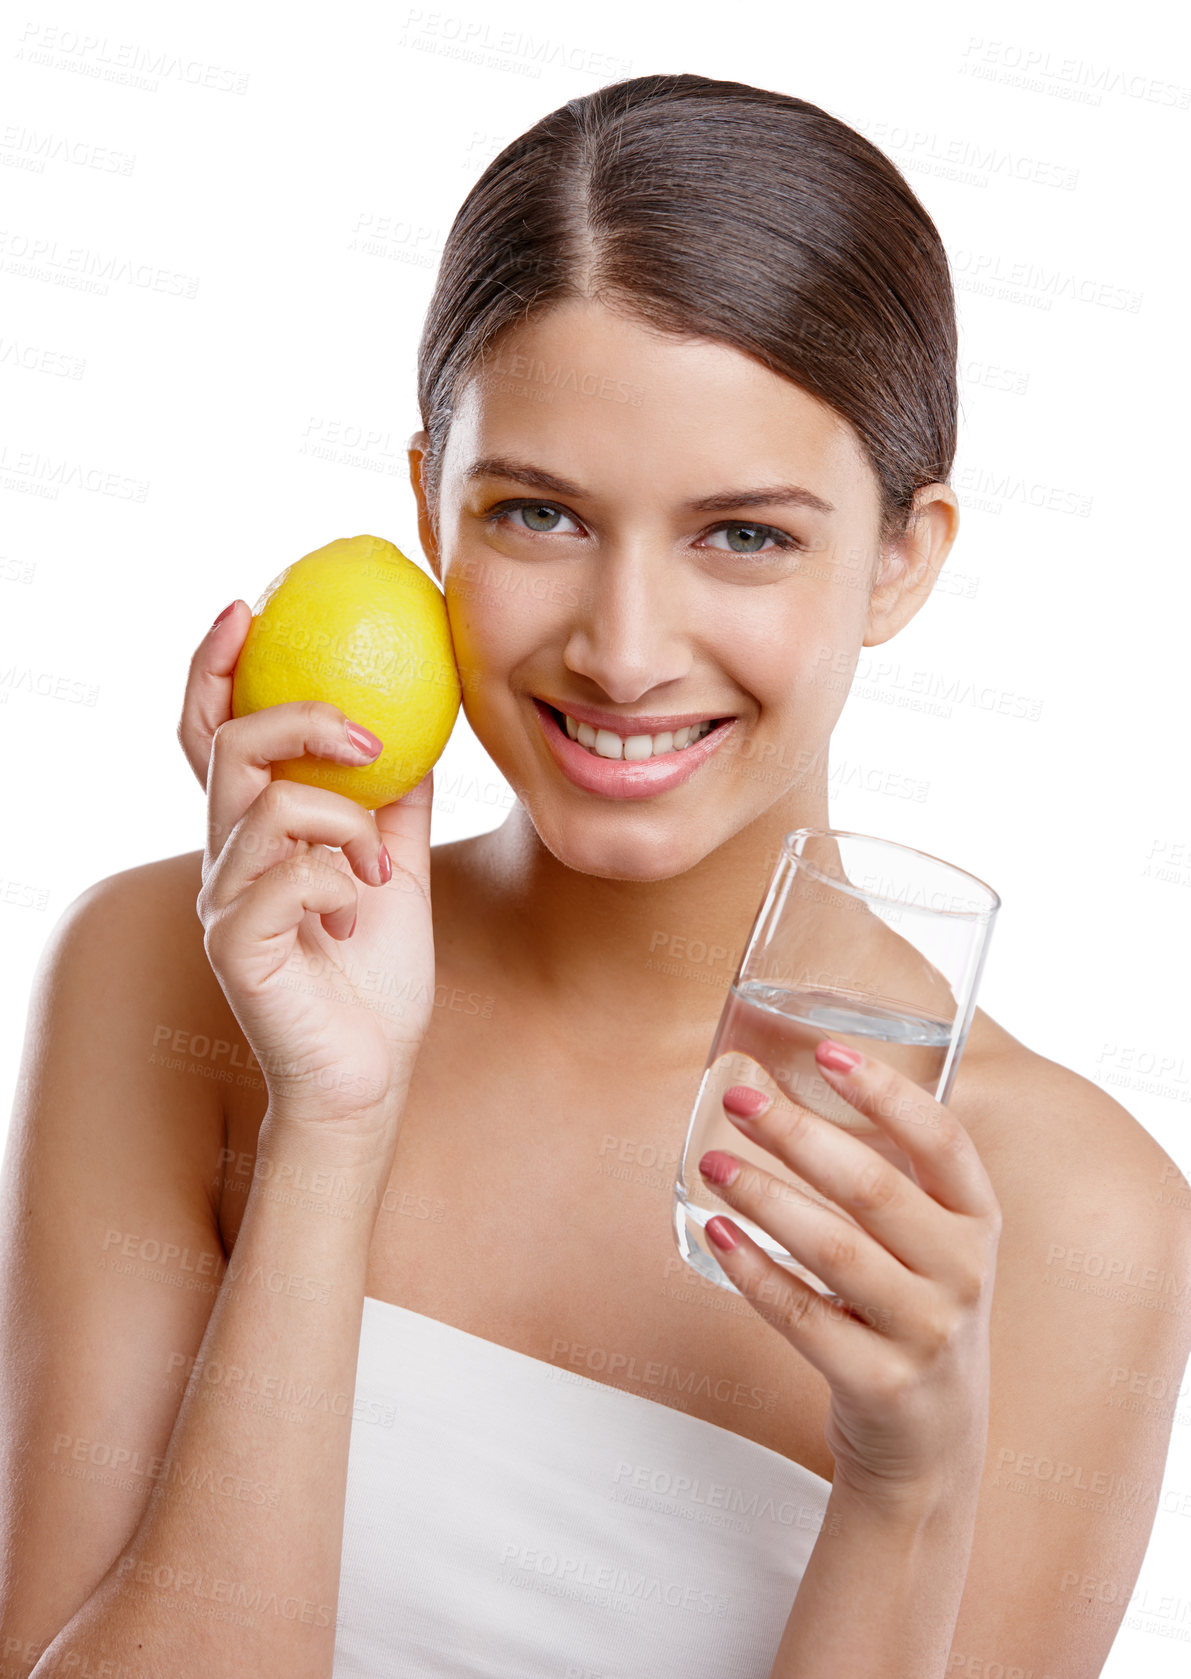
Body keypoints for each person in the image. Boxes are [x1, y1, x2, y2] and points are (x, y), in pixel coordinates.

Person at [1, 71, 1187, 1679]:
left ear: (904, 556)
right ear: (430, 503)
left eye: (745, 536)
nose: (624, 654)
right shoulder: (169, 970)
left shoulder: (1069, 1216)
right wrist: (329, 1132)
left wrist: (907, 1490)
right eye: (541, 512)